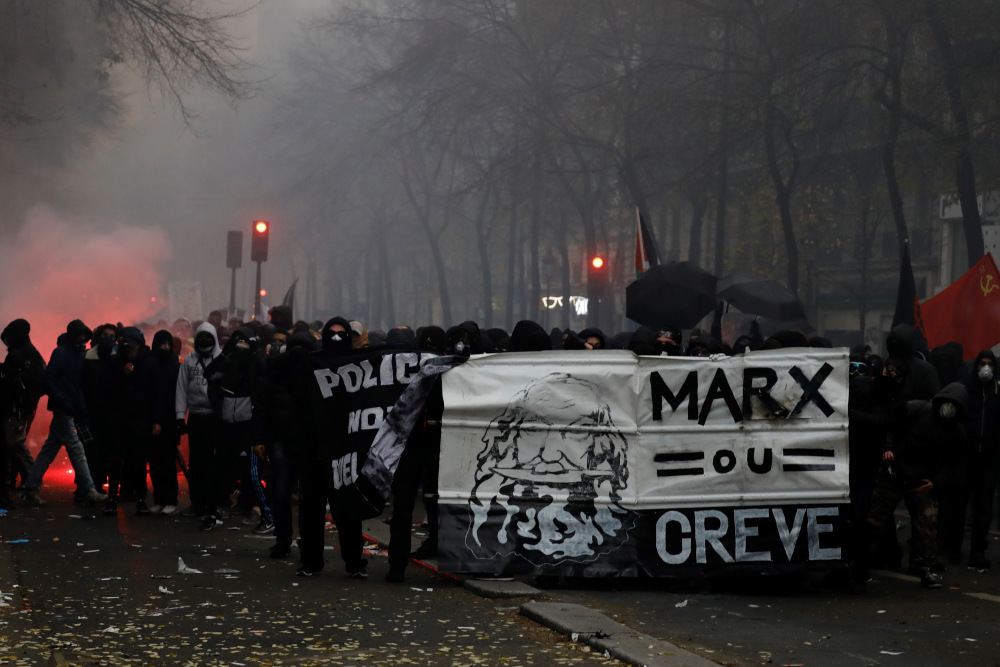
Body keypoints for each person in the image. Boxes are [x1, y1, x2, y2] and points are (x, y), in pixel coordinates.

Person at [865, 382, 968, 588]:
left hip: (921, 481)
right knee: (874, 520)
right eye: (947, 403)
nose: (948, 409)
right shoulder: (918, 409)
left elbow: (953, 464)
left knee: (928, 525)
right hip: (894, 473)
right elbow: (891, 425)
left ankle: (925, 568)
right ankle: (859, 564)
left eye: (954, 406)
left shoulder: (956, 433)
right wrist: (888, 449)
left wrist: (936, 482)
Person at [20, 320, 108, 506]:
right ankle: (90, 489)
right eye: (80, 335)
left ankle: (30, 487)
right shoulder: (62, 353)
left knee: (49, 450)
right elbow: (49, 379)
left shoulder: (76, 354)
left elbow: (75, 385)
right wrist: (64, 401)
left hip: (68, 407)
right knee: (76, 450)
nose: (83, 338)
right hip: (63, 409)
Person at [956, 350, 1000, 571]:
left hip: (989, 458)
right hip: (967, 454)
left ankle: (978, 550)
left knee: (984, 506)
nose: (986, 368)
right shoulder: (966, 391)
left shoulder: (997, 393)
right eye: (982, 363)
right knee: (960, 502)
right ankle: (954, 547)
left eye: (990, 364)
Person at [176, 321, 222, 521]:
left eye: (208, 337)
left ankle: (213, 503)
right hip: (195, 417)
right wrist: (180, 416)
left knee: (214, 463)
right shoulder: (189, 361)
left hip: (215, 418)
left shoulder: (222, 360)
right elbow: (181, 389)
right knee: (196, 462)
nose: (204, 341)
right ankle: (197, 502)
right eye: (201, 337)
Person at [1, 319, 46, 497]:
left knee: (15, 444)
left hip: (18, 408)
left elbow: (24, 383)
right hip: (20, 407)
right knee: (12, 444)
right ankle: (25, 480)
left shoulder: (26, 355)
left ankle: (32, 481)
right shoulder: (28, 353)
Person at [147, 330, 181, 515]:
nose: (165, 347)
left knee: (167, 463)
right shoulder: (151, 364)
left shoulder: (175, 366)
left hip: (168, 421)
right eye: (162, 344)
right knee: (155, 463)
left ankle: (170, 500)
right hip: (153, 419)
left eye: (168, 344)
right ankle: (160, 499)